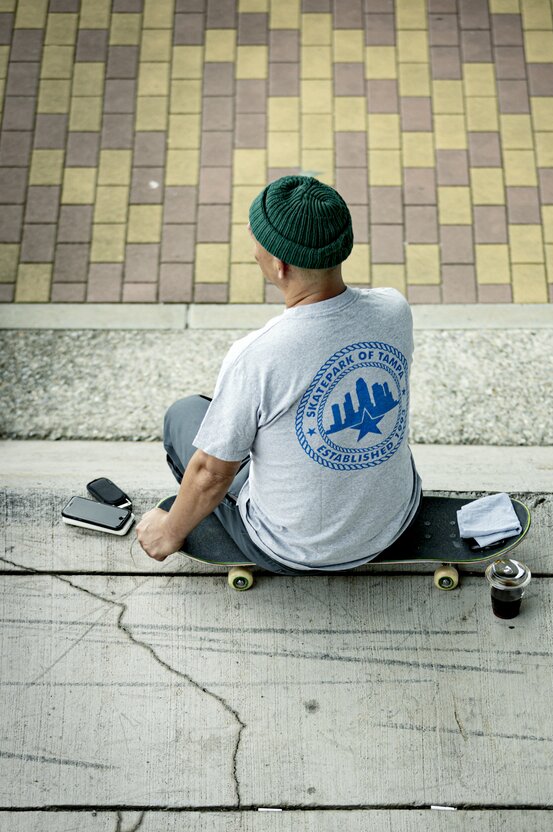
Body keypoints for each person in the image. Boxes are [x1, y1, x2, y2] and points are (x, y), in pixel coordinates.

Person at [137, 175, 422, 573]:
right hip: (394, 521)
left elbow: (210, 474)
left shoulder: (258, 356)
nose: (252, 247)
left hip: (294, 549)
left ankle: (219, 527)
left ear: (279, 264)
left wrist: (167, 531)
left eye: (255, 238)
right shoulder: (394, 308)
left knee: (184, 415)